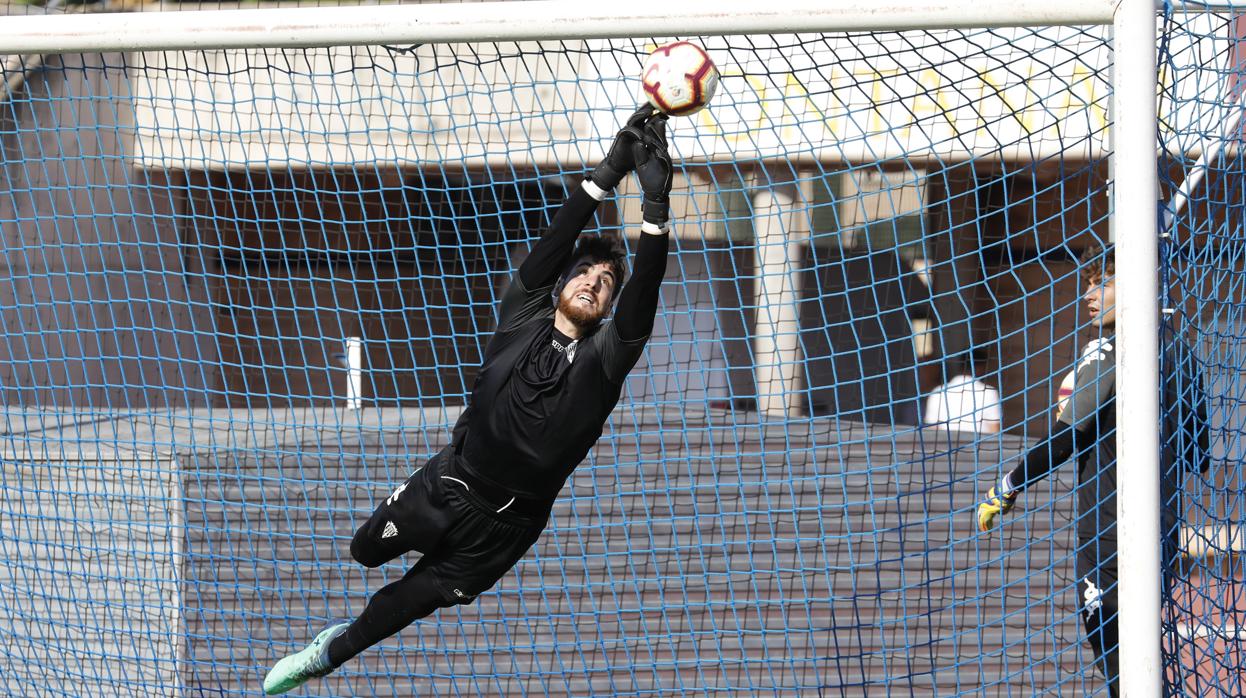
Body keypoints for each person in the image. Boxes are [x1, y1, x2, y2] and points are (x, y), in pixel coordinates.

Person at [262, 104, 674, 695]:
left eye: (606, 283)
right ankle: (383, 545)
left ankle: (324, 656)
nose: (593, 282)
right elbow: (556, 241)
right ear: (562, 283)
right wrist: (608, 172)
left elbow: (647, 290)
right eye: (586, 273)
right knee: (363, 552)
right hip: (448, 484)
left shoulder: (605, 360)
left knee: (397, 608)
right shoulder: (523, 317)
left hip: (504, 530)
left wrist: (655, 207)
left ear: (609, 307)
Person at [975, 243, 1208, 698]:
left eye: (1102, 283)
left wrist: (1008, 485)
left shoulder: (1106, 351)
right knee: (1144, 660)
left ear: (1138, 286)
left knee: (1117, 662)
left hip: (1107, 533)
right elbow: (1198, 451)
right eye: (1088, 283)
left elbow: (1064, 439)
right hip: (1163, 529)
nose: (1089, 294)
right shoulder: (1180, 351)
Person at [923, 348, 1002, 433]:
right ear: (981, 367)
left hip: (947, 441)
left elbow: (932, 429)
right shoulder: (988, 392)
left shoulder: (938, 391)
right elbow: (994, 430)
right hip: (979, 441)